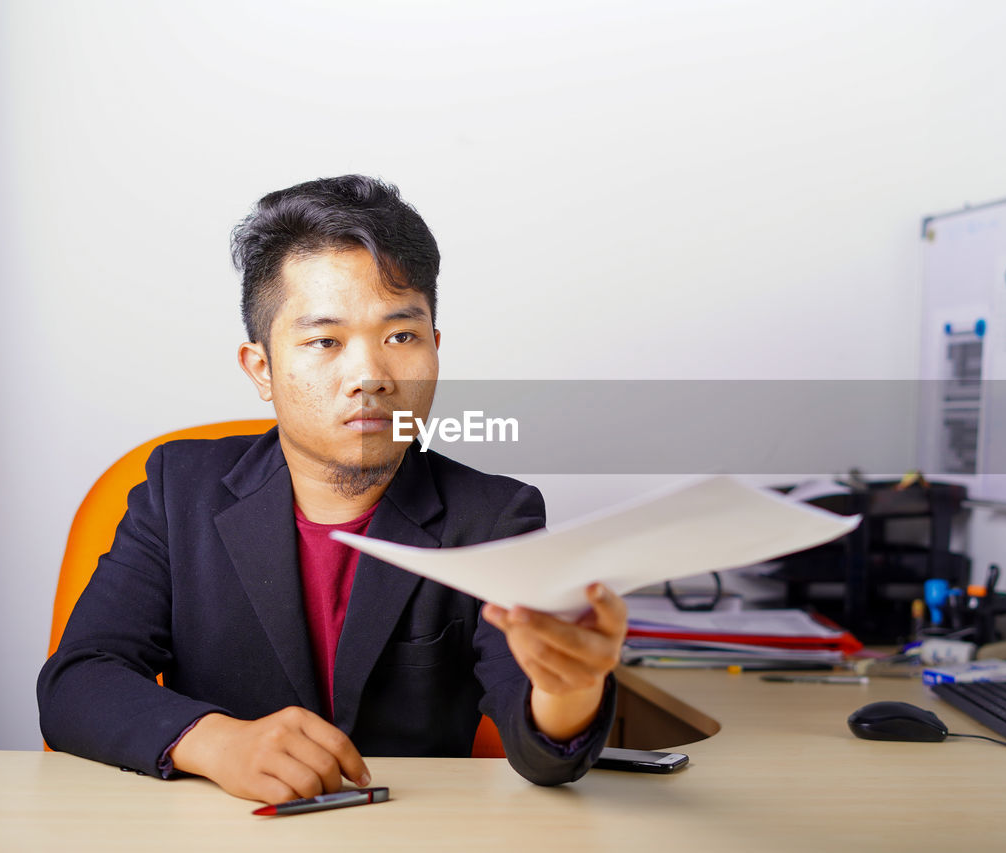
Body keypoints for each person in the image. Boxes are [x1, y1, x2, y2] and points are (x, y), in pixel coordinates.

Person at [37, 175, 627, 803]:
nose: (370, 376)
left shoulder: (493, 517)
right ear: (261, 368)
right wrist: (215, 742)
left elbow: (543, 748)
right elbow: (78, 680)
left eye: (402, 336)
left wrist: (571, 687)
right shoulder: (177, 490)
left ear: (435, 347)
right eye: (324, 341)